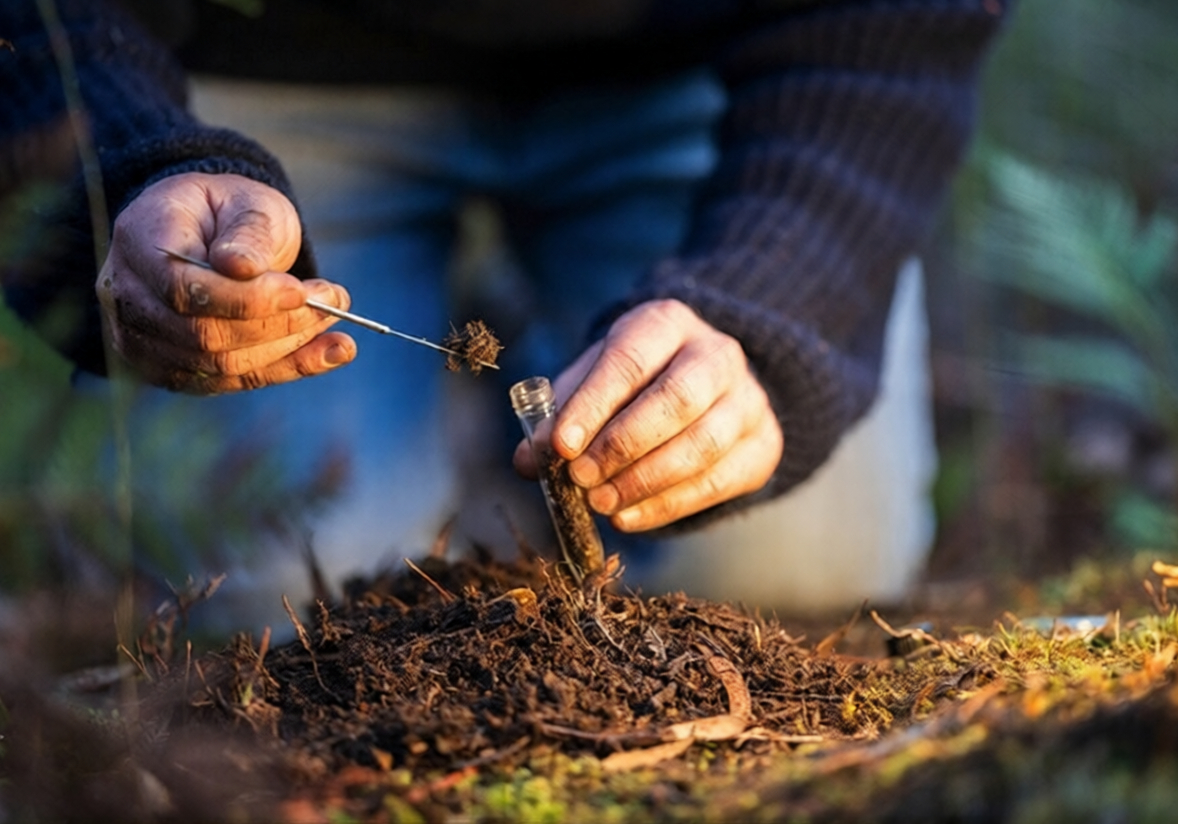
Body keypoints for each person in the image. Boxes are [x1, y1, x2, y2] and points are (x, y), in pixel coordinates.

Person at [1, 0, 1008, 624]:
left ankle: (545, 346)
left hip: (703, 67)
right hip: (251, 67)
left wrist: (773, 303)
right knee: (263, 595)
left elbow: (902, 23)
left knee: (790, 567)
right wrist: (128, 167)